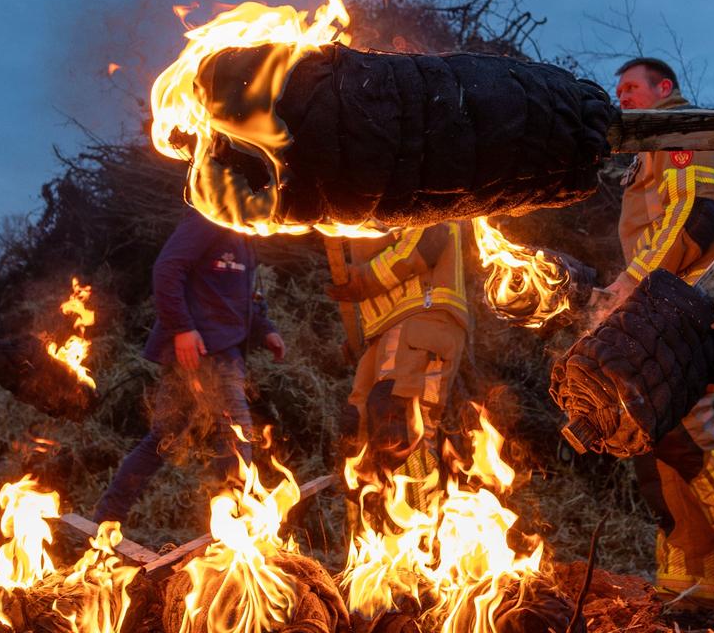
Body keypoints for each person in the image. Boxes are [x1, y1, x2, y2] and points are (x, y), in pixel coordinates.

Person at [605, 58, 714, 615]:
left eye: (632, 87)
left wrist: (628, 289)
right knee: (654, 426)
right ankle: (690, 587)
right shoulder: (651, 148)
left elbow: (694, 214)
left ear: (666, 88)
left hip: (712, 290)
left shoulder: (684, 127)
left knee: (682, 418)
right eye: (619, 90)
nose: (622, 96)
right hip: (677, 296)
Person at [93, 209, 286, 527]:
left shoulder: (245, 235)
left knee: (162, 436)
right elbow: (166, 269)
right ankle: (233, 526)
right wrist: (181, 327)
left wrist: (266, 329)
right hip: (203, 349)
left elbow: (246, 297)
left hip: (221, 348)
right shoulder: (207, 220)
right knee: (235, 433)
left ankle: (107, 518)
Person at [324, 220, 473, 497]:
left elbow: (432, 237)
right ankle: (373, 533)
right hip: (384, 329)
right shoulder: (361, 192)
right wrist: (364, 330)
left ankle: (420, 531)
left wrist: (365, 282)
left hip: (423, 313)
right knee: (358, 433)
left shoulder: (407, 178)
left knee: (402, 433)